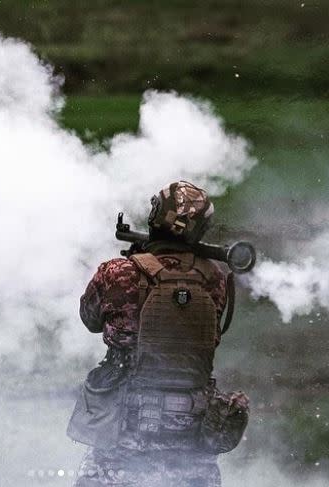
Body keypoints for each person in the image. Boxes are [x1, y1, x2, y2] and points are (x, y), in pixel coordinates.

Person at [67, 181, 249, 487]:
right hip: (192, 429)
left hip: (125, 432)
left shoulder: (117, 272)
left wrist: (135, 261)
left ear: (156, 216)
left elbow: (90, 319)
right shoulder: (214, 280)